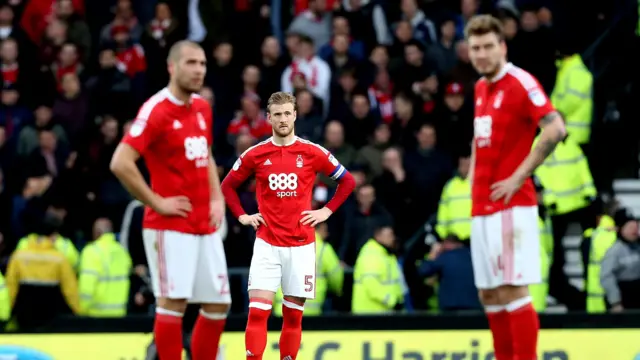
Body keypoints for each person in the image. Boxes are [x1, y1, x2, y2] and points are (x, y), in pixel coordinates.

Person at [110, 40, 230, 360]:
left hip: (203, 222)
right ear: (172, 67)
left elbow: (205, 156)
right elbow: (120, 162)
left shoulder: (203, 108)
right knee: (173, 303)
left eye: (203, 64)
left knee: (219, 303)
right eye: (191, 63)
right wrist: (156, 202)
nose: (198, 70)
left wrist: (218, 198)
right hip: (169, 225)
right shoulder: (156, 110)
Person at [220, 91, 356, 360]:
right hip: (267, 244)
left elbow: (348, 181)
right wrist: (242, 216)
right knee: (258, 312)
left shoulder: (312, 152)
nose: (282, 119)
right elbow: (227, 186)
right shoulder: (255, 154)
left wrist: (326, 211)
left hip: (302, 245)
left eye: (287, 113)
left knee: (293, 318)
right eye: (277, 114)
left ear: (295, 115)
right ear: (269, 118)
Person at [465, 15, 567, 360]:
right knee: (490, 295)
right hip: (481, 207)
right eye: (475, 48)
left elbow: (555, 129)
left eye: (488, 46)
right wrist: (473, 178)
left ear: (502, 46)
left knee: (512, 290)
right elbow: (480, 140)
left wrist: (519, 177)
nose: (481, 54)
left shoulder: (521, 82)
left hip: (510, 206)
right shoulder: (480, 87)